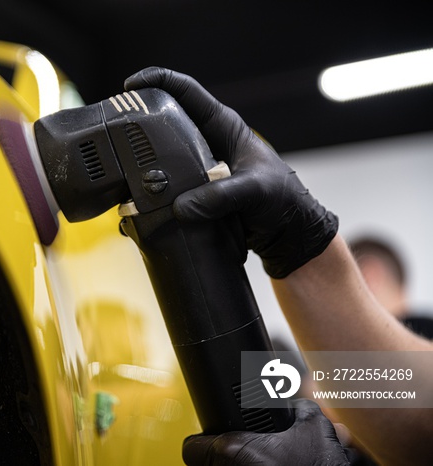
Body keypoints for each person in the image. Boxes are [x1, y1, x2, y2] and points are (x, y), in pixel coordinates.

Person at [123, 67, 433, 465]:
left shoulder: (419, 326)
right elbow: (417, 419)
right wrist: (303, 245)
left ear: (370, 274)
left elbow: (363, 401)